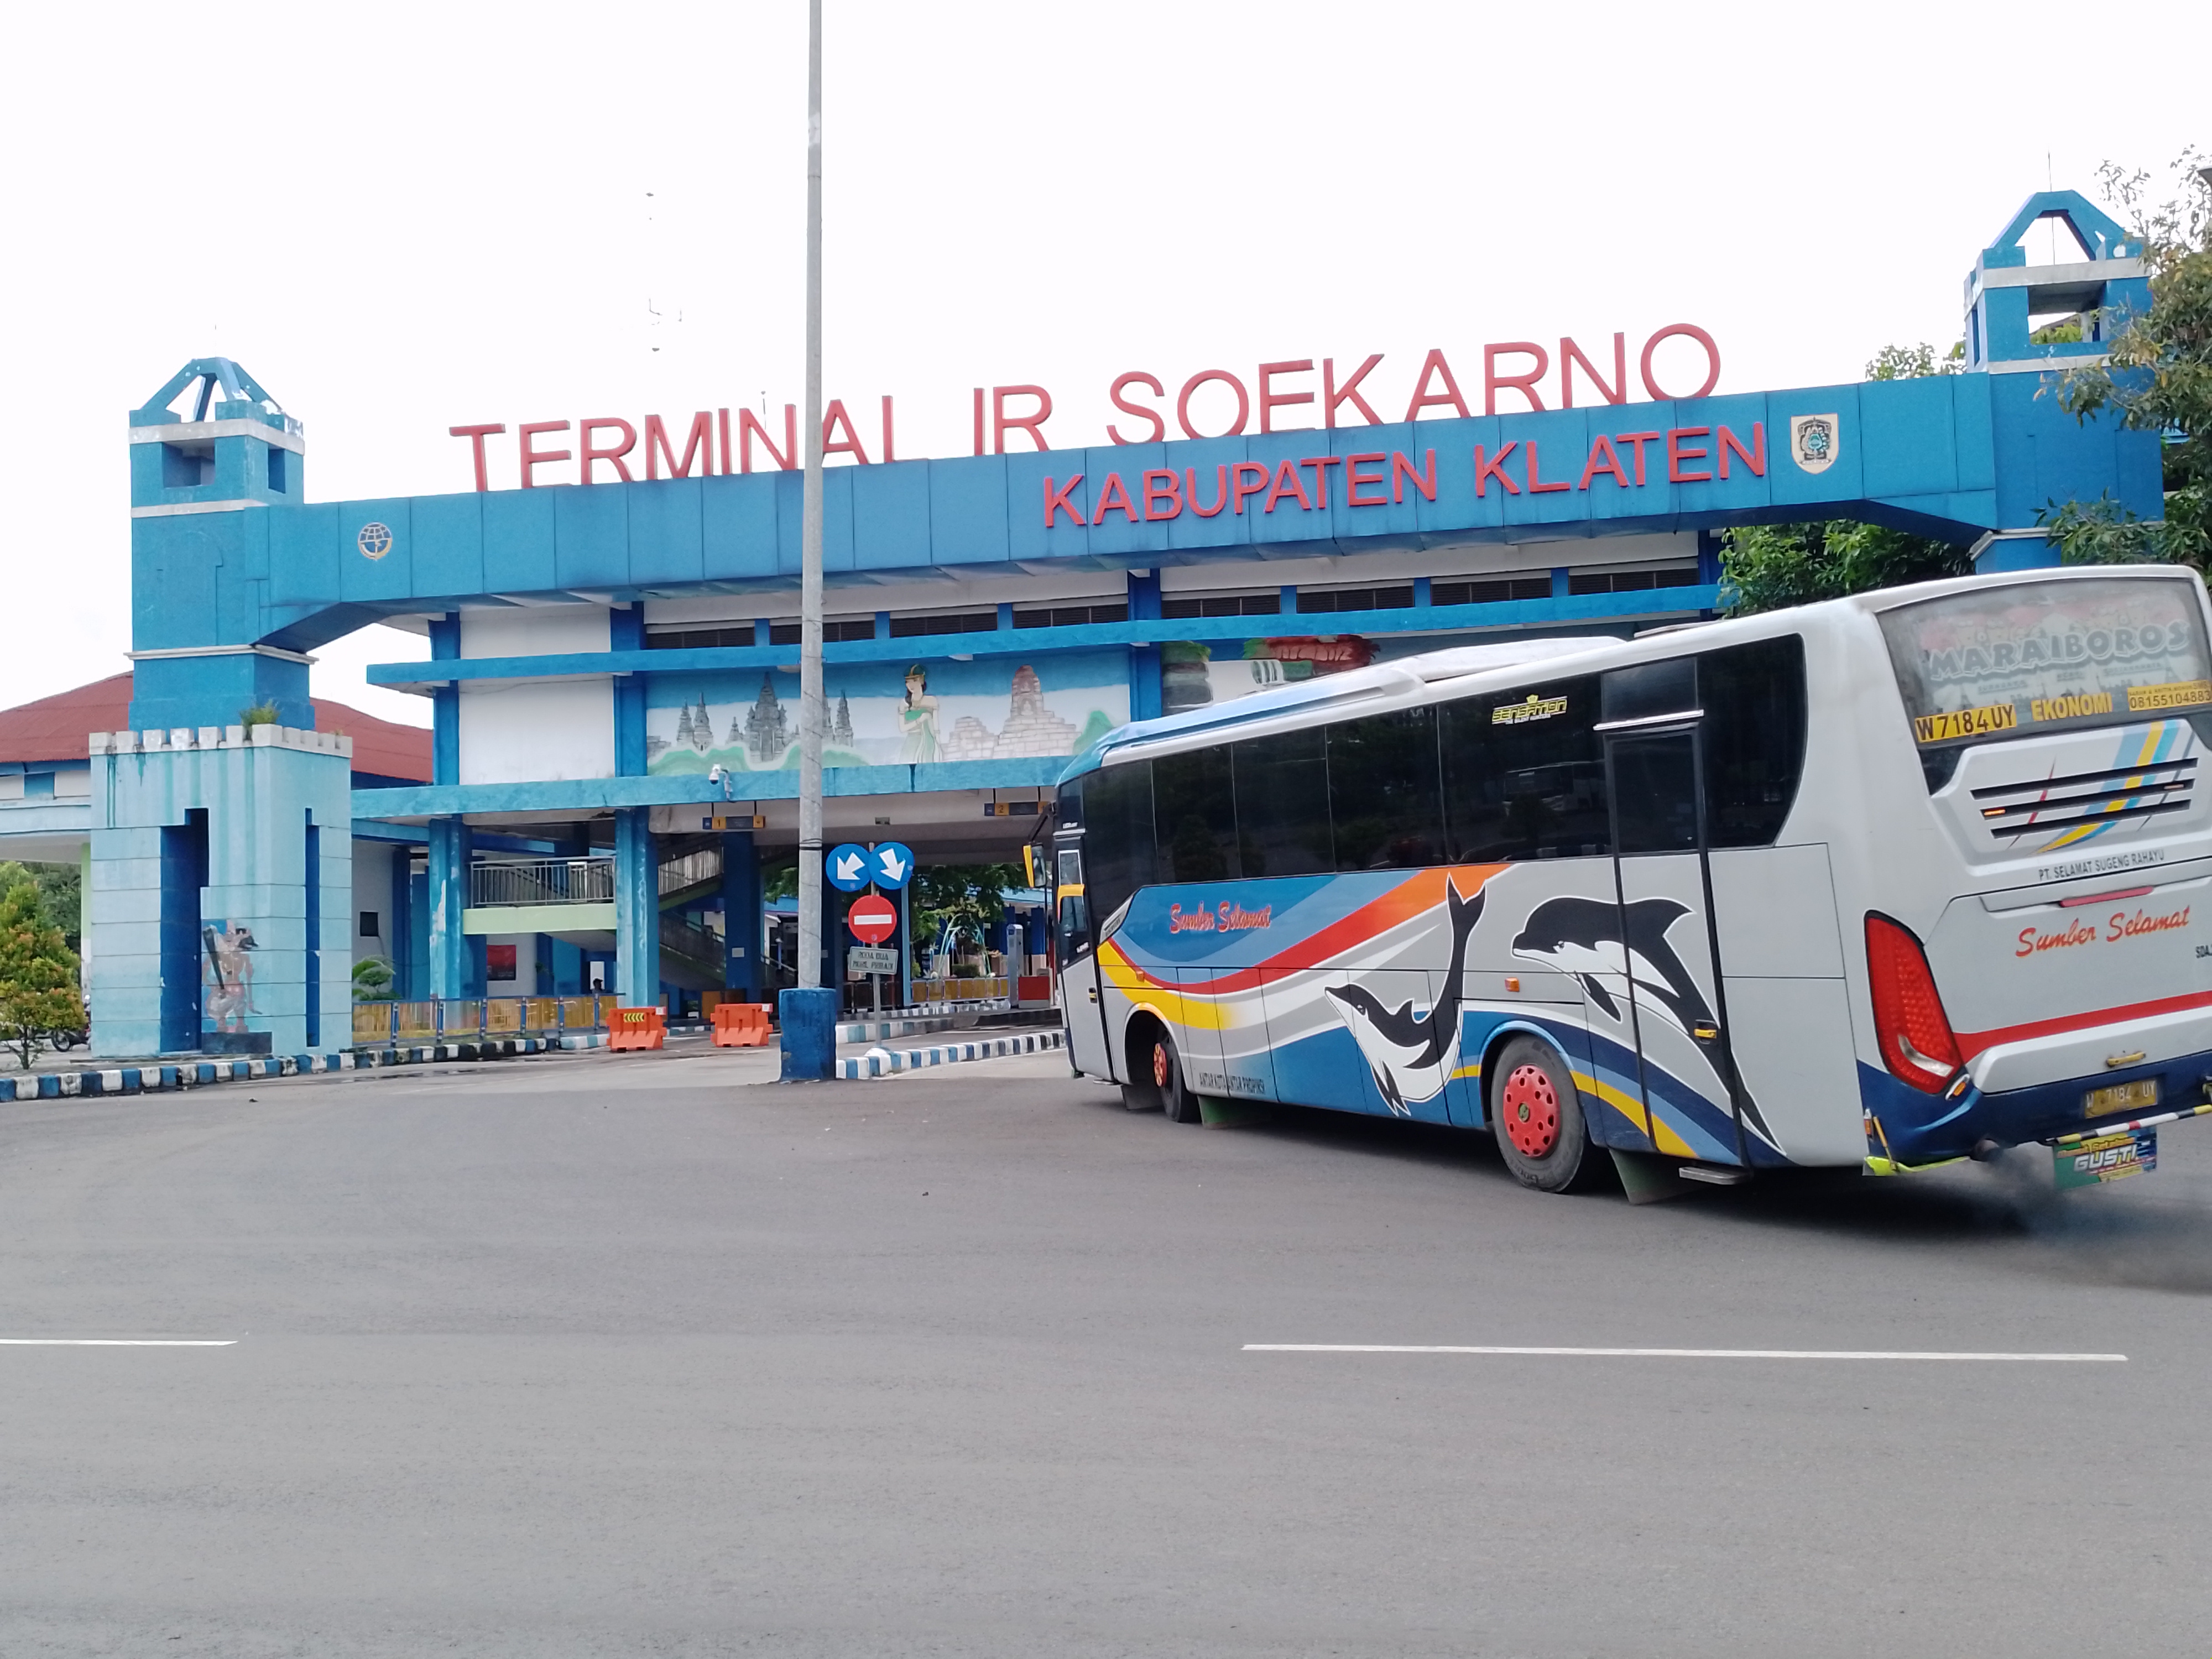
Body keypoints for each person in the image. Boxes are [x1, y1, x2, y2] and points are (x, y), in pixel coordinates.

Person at [897, 662, 940, 764]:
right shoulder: (904, 703)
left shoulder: (931, 701)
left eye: (915, 681)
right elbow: (902, 728)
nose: (911, 685)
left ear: (922, 681)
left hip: (928, 742)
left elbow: (936, 729)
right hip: (912, 742)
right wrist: (919, 720)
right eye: (908, 682)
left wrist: (938, 745)